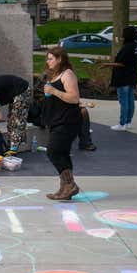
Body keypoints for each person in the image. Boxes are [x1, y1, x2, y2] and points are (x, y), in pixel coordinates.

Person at [42, 46, 82, 200]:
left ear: (60, 59)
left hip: (68, 121)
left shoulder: (68, 74)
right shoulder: (55, 75)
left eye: (51, 58)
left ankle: (70, 185)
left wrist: (54, 92)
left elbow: (74, 98)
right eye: (48, 58)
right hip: (58, 120)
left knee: (53, 151)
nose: (48, 61)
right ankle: (65, 188)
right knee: (62, 153)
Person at [100, 26, 137, 131]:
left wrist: (107, 64)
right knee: (130, 100)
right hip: (132, 76)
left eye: (123, 33)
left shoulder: (127, 47)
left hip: (123, 78)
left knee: (124, 102)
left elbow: (121, 63)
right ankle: (128, 122)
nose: (122, 36)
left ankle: (122, 124)